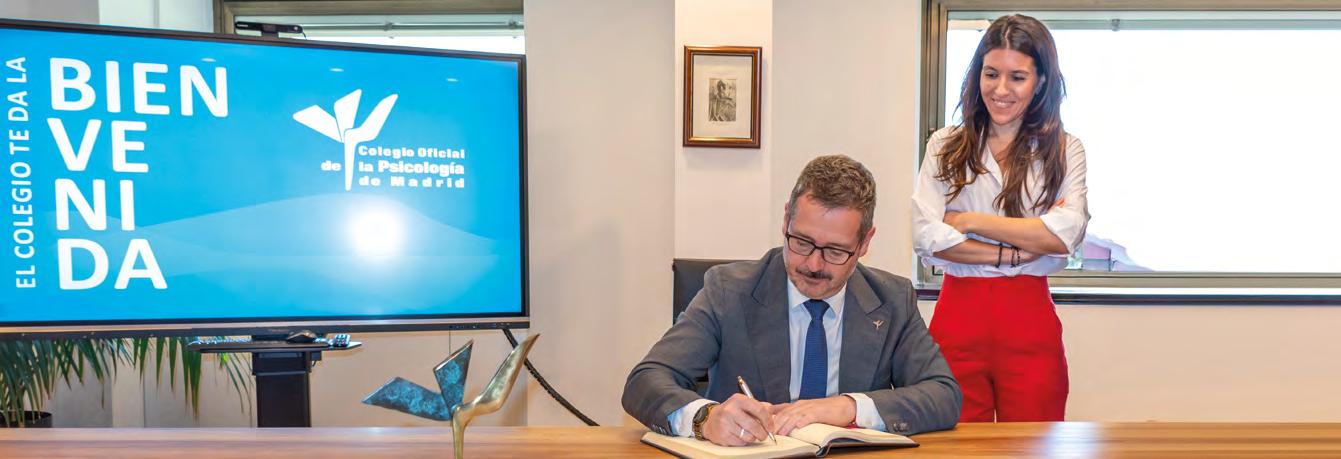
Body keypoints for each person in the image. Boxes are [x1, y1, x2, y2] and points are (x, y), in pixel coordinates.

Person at [624, 155, 961, 447]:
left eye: (835, 251)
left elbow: (943, 395)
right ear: (786, 220)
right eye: (802, 241)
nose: (813, 264)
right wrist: (705, 418)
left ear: (864, 243)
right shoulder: (729, 291)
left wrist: (849, 407)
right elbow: (646, 380)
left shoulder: (891, 299)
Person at [911, 14, 1089, 423]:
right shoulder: (945, 145)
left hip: (1029, 318)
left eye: (1017, 77)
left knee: (1035, 444)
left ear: (1040, 81)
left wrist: (970, 222)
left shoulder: (1065, 149)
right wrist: (1018, 251)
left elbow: (1064, 235)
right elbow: (926, 237)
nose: (1000, 89)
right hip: (957, 314)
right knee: (956, 443)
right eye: (991, 74)